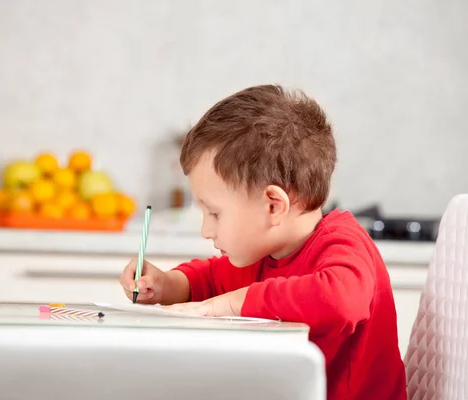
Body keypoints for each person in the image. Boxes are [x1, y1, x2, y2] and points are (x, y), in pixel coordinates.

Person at [120, 84, 406, 399]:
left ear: (273, 206)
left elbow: (341, 300)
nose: (206, 230)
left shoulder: (343, 243)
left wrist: (230, 304)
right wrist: (165, 284)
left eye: (214, 213)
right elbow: (212, 279)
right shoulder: (264, 253)